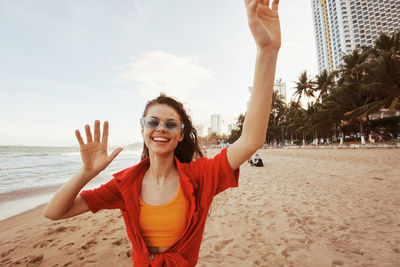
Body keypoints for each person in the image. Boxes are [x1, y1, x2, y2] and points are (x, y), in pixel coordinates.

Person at [44, 0, 281, 266]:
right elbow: (54, 212)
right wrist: (87, 173)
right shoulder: (125, 185)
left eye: (170, 125)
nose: (160, 129)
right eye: (153, 122)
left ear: (180, 134)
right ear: (143, 128)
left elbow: (251, 140)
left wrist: (267, 51)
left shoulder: (201, 176)